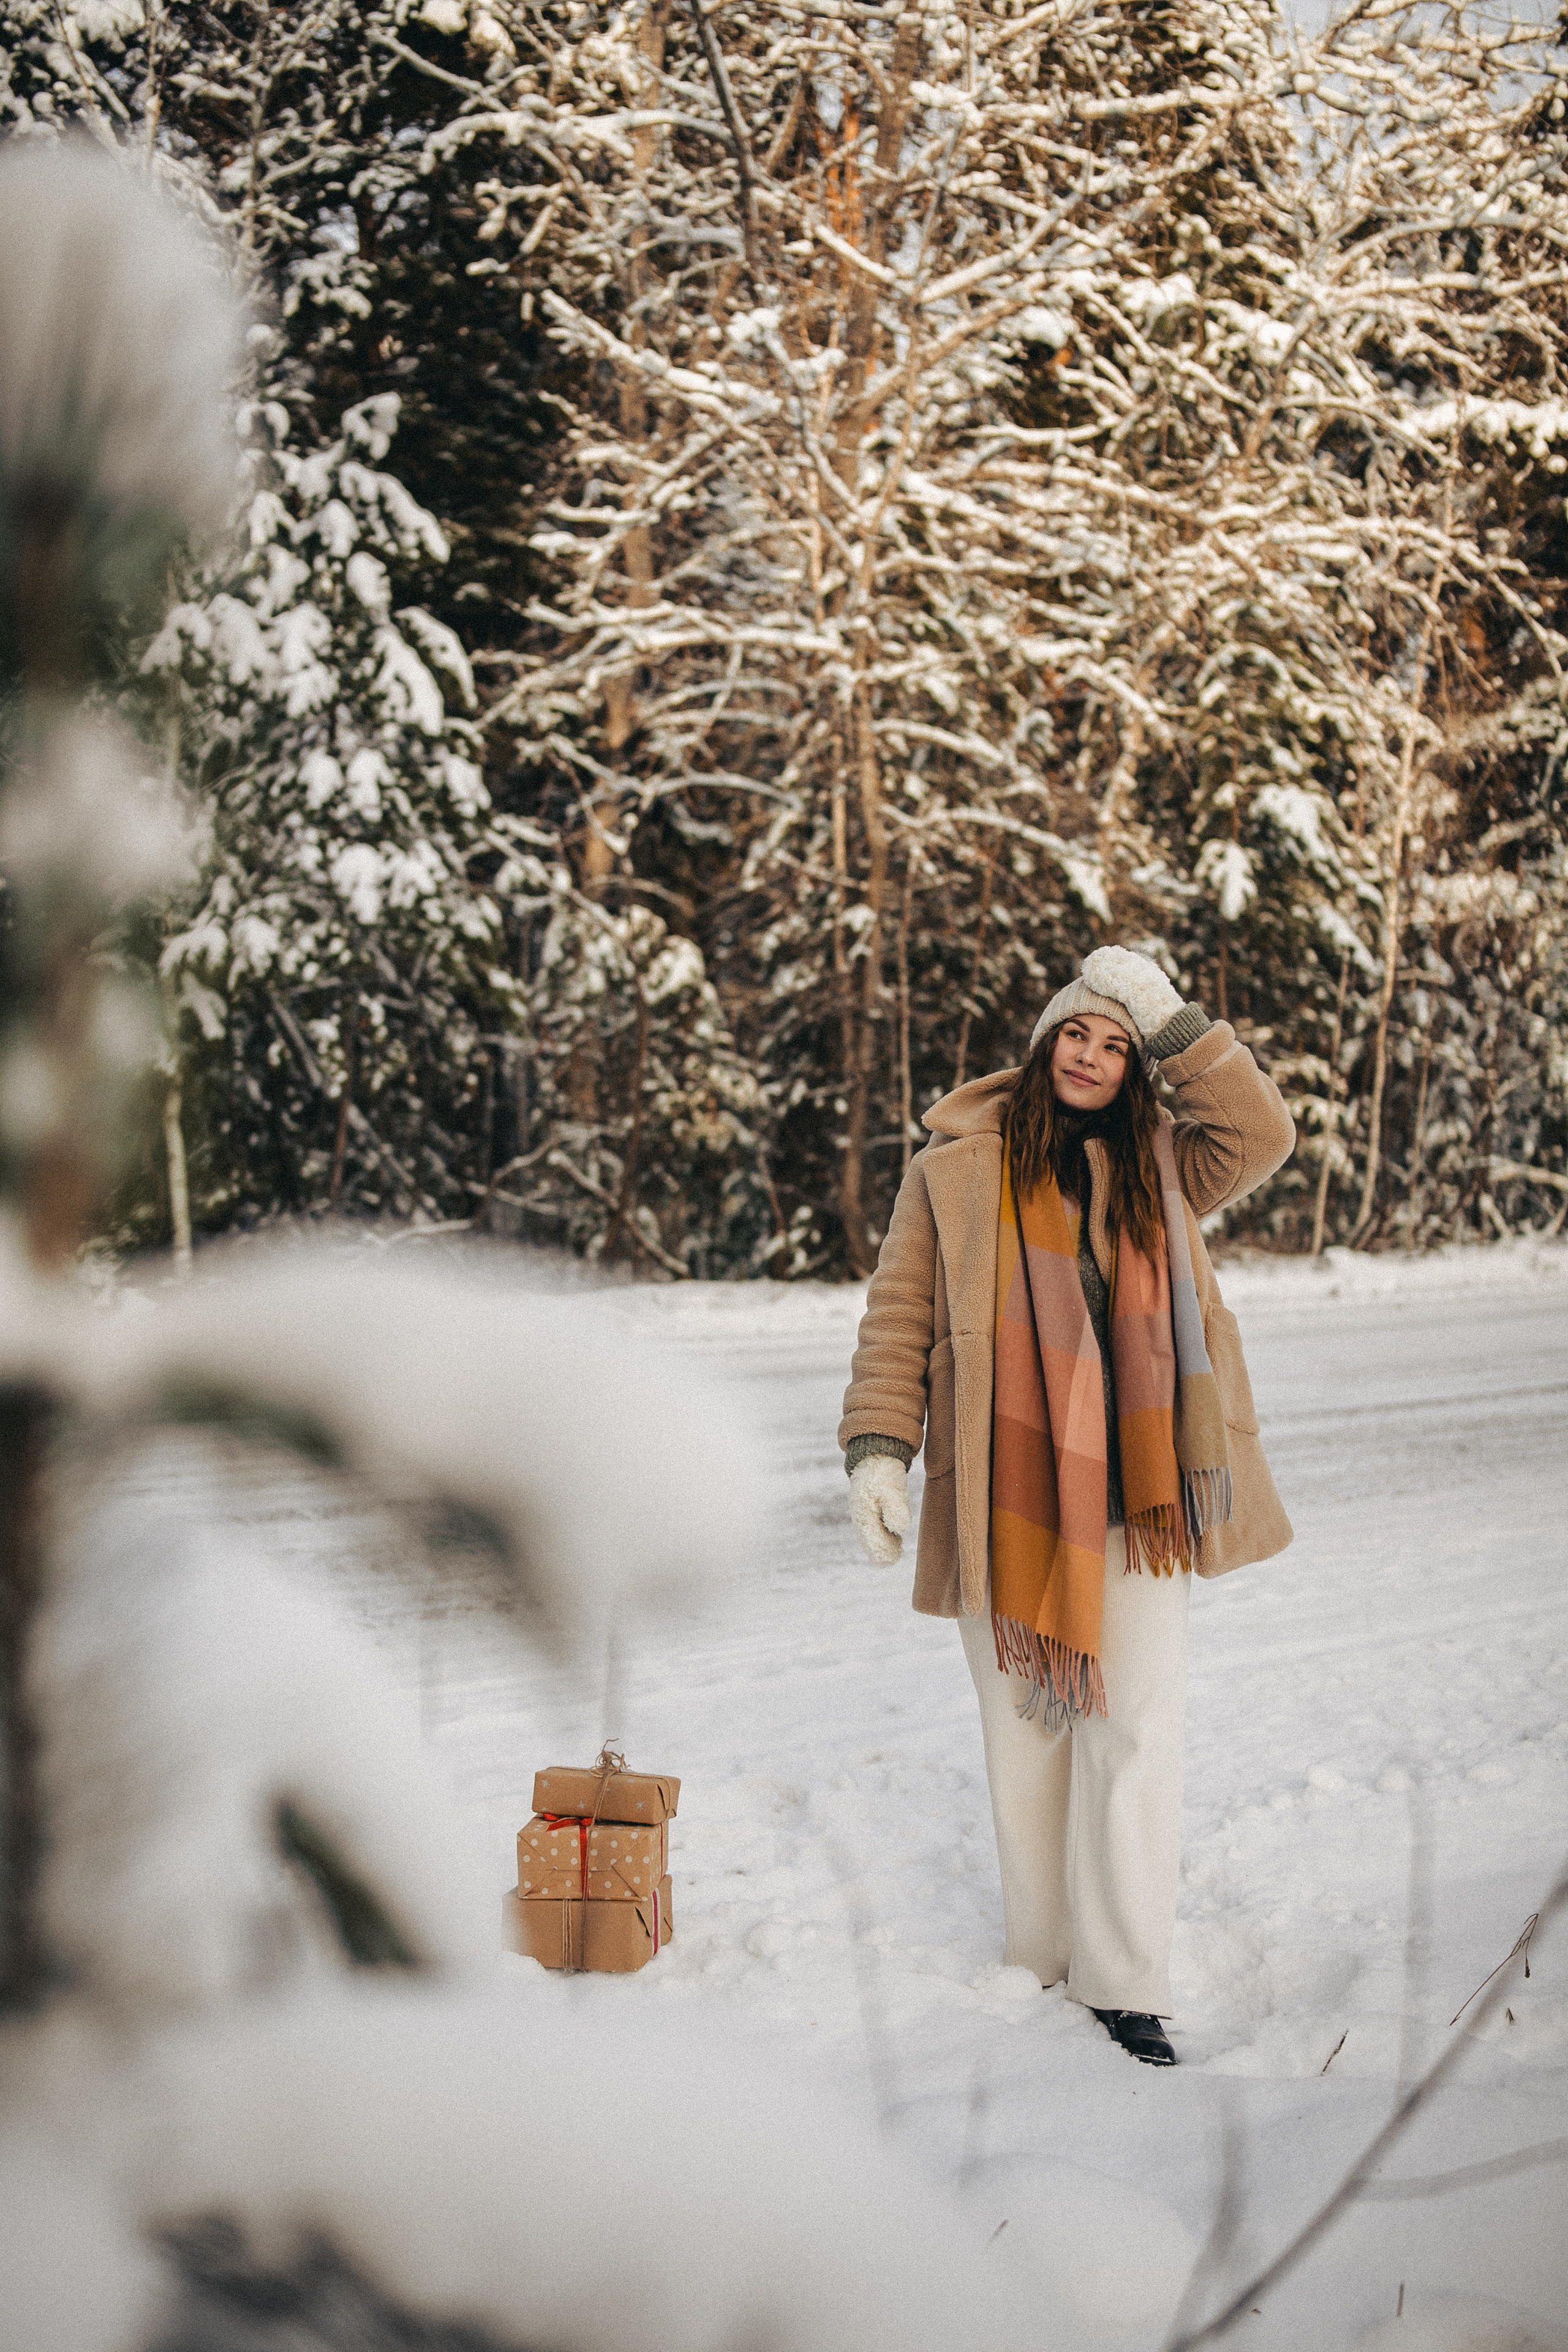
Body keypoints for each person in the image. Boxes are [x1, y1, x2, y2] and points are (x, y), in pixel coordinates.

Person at [839, 947, 1295, 2066]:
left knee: (1134, 1730)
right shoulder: (955, 1171)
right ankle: (1039, 1954)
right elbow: (898, 1318)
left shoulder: (1168, 1162)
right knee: (1028, 1737)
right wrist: (880, 1451)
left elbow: (1265, 1133)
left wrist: (1166, 1011)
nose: (1093, 1057)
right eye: (1076, 1035)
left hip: (1141, 1498)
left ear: (1135, 1063)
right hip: (1008, 1493)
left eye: (1116, 1042)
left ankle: (1121, 1977)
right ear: (1042, 1047)